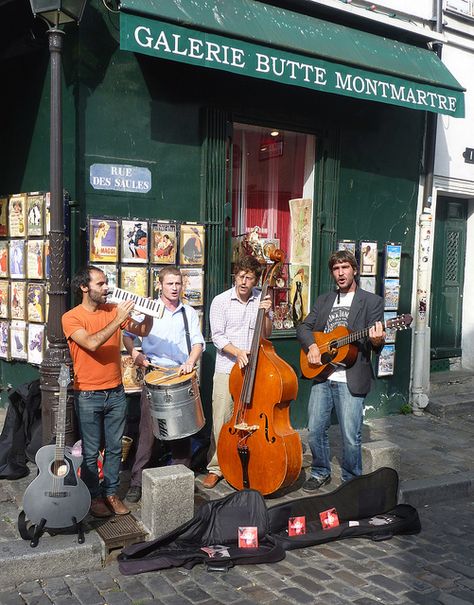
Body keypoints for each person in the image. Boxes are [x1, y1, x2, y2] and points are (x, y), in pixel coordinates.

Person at [62, 265, 153, 518]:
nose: (106, 288)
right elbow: (91, 343)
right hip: (88, 393)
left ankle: (111, 493)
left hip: (115, 391)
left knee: (115, 447)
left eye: (106, 283)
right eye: (100, 284)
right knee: (91, 450)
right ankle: (93, 497)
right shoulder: (71, 317)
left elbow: (143, 331)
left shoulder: (113, 309)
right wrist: (117, 319)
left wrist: (148, 311)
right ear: (84, 287)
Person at [297, 250, 385, 492]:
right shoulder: (324, 300)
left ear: (354, 269)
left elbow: (374, 344)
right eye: (336, 269)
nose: (341, 273)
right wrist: (312, 346)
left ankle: (351, 480)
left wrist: (377, 340)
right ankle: (320, 471)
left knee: (350, 435)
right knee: (314, 430)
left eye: (345, 267)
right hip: (323, 374)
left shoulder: (371, 302)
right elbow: (304, 328)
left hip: (351, 376)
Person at [123, 267, 204, 503]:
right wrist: (134, 353)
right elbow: (127, 335)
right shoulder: (148, 310)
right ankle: (137, 482)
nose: (175, 288)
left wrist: (190, 361)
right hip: (154, 375)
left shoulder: (187, 312)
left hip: (179, 375)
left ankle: (181, 479)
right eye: (170, 284)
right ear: (160, 285)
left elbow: (198, 343)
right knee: (148, 431)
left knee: (182, 431)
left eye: (178, 283)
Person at [202, 255, 273, 489]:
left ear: (255, 280)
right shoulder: (221, 301)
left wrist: (266, 313)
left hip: (255, 371)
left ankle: (249, 459)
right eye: (241, 276)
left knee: (250, 417)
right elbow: (218, 336)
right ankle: (215, 466)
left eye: (249, 277)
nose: (244, 281)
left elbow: (267, 334)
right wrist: (237, 352)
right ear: (235, 276)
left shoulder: (260, 299)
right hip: (227, 368)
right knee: (222, 418)